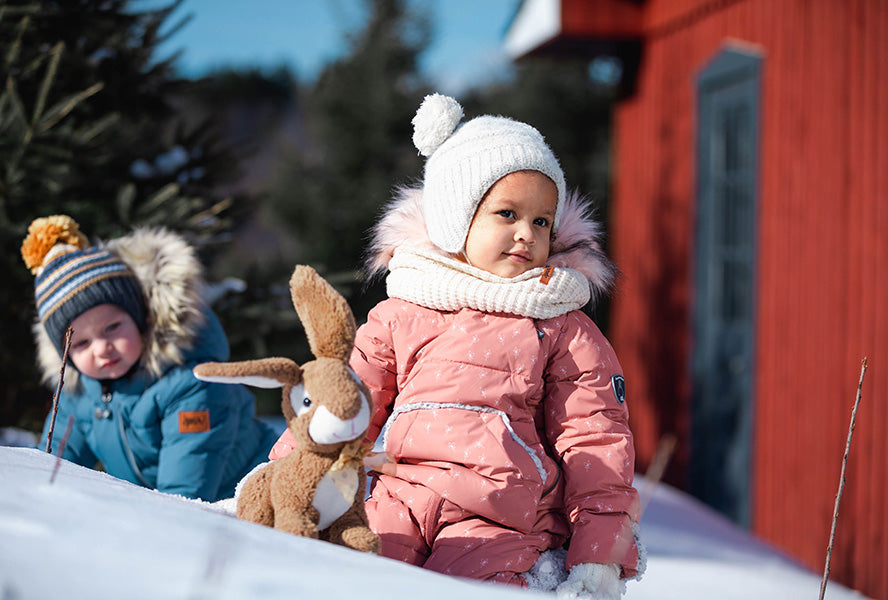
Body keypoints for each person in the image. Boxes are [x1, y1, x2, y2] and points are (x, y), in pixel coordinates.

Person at [268, 93, 645, 598]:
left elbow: (595, 440)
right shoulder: (405, 310)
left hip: (498, 515)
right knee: (358, 580)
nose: (526, 235)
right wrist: (289, 475)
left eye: (541, 221)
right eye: (506, 213)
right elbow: (346, 401)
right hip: (399, 496)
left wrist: (602, 553)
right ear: (456, 219)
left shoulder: (561, 325)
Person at [21, 215, 278, 502]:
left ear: (140, 319)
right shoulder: (79, 393)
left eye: (112, 328)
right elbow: (55, 463)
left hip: (255, 493)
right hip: (175, 507)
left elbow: (185, 493)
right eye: (81, 343)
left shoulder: (191, 384)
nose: (101, 348)